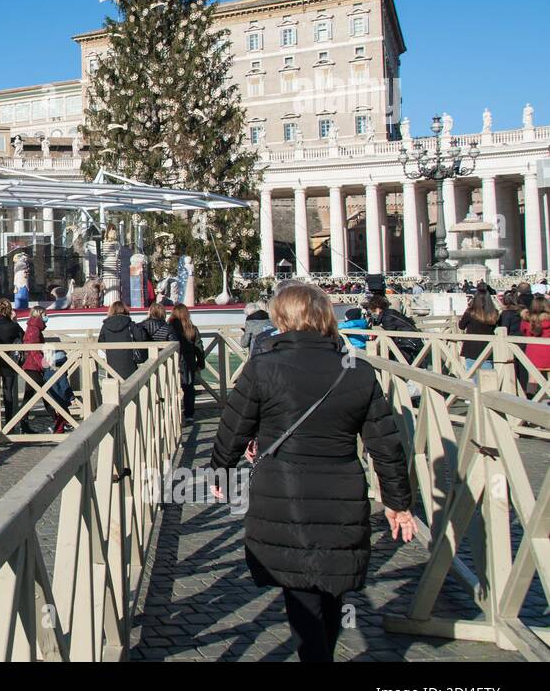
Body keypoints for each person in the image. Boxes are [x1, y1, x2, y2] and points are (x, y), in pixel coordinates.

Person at [209, 282, 415, 662]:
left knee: (300, 587)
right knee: (332, 586)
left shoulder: (263, 367)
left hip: (284, 493)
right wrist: (398, 503)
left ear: (281, 318)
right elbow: (386, 445)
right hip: (342, 493)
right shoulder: (358, 371)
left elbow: (234, 426)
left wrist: (221, 469)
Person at [0, 297, 25, 422]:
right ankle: (9, 422)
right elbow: (22, 337)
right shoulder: (13, 326)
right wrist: (15, 321)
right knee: (8, 392)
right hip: (9, 362)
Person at [169, 303, 205, 419]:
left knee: (171, 388)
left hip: (173, 360)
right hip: (188, 362)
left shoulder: (170, 327)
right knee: (189, 389)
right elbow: (199, 347)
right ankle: (189, 414)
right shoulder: (192, 328)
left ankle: (173, 414)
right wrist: (200, 363)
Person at [19, 306, 52, 434]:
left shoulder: (34, 328)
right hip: (33, 366)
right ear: (40, 315)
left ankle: (24, 424)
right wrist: (43, 364)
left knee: (31, 396)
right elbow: (34, 349)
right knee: (45, 394)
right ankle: (60, 420)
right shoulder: (34, 329)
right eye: (45, 315)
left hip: (31, 366)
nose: (46, 317)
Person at [457, 290, 499, 373]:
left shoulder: (470, 312)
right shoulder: (494, 313)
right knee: (488, 376)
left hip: (471, 348)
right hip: (488, 347)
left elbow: (461, 326)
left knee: (473, 376)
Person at [97, 300, 139, 379]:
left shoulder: (105, 326)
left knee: (114, 388)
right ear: (125, 310)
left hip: (112, 365)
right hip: (129, 363)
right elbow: (140, 338)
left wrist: (110, 352)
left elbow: (101, 342)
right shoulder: (130, 324)